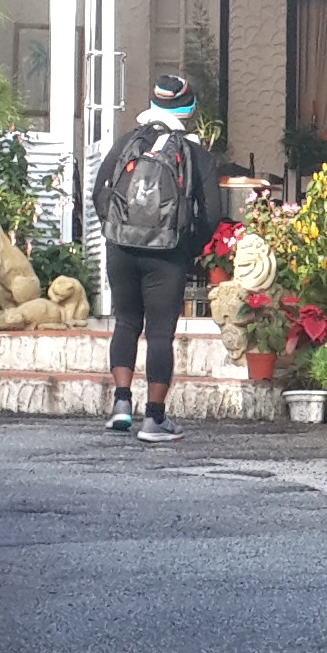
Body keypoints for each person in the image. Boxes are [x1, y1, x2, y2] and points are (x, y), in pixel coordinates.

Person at [92, 71, 217, 444]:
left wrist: (116, 231)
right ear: (189, 109)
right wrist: (186, 248)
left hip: (121, 248)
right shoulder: (195, 153)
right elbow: (211, 214)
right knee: (160, 332)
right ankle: (155, 419)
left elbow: (100, 192)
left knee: (126, 322)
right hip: (167, 252)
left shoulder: (128, 142)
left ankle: (121, 405)